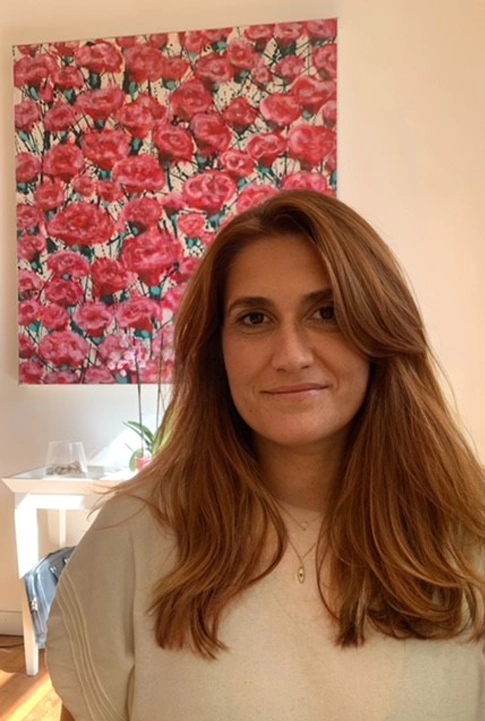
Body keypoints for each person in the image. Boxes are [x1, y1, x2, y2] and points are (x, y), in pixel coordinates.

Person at [47, 189, 485, 721]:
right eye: (254, 319)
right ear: (217, 350)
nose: (291, 356)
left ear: (382, 331)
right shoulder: (133, 533)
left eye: (327, 312)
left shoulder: (470, 529)